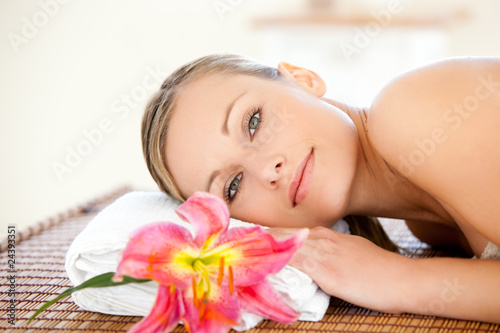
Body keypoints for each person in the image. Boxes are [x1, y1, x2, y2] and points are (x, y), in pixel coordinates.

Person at [141, 53, 500, 323]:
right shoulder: (425, 225)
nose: (268, 169)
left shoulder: (410, 112)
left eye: (254, 122)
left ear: (302, 79)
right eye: (233, 186)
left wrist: (399, 279)